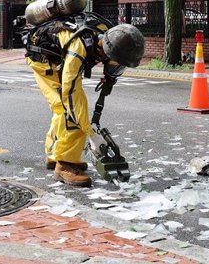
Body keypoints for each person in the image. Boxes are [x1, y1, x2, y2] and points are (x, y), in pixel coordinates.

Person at [25, 15, 145, 186]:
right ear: (108, 52)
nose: (117, 66)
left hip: (60, 57)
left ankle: (55, 154)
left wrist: (109, 77)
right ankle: (64, 165)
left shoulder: (108, 34)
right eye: (118, 63)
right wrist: (91, 134)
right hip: (45, 62)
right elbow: (70, 94)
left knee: (65, 109)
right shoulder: (78, 49)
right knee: (70, 110)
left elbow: (110, 65)